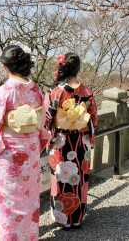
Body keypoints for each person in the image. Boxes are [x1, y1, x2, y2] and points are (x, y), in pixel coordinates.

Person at [0, 45, 49, 241]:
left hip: (9, 153)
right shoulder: (36, 91)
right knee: (29, 199)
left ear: (5, 66)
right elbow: (42, 122)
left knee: (10, 203)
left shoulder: (0, 93)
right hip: (31, 150)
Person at [45, 53, 98, 230]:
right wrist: (89, 139)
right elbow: (93, 120)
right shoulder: (87, 92)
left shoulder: (56, 92)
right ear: (77, 69)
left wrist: (47, 138)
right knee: (79, 179)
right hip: (81, 143)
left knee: (62, 179)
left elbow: (47, 120)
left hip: (62, 142)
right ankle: (77, 218)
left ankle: (63, 219)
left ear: (62, 68)